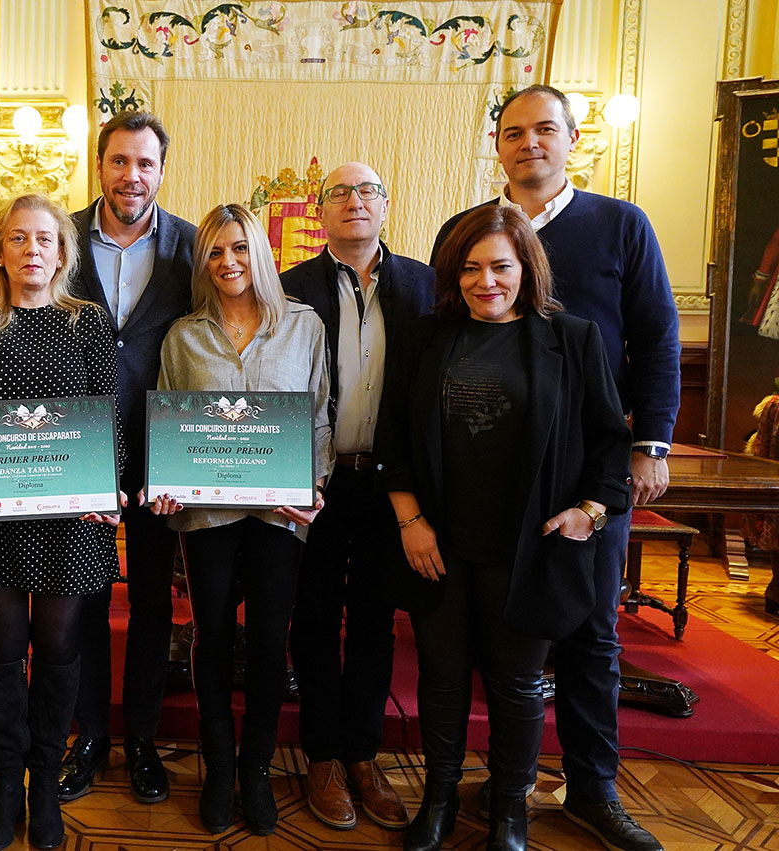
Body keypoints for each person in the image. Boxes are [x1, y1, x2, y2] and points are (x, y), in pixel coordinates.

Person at [432, 84, 679, 851]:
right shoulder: (470, 230)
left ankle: (592, 788)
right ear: (497, 145)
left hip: (589, 477)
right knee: (498, 642)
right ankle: (504, 783)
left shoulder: (620, 223)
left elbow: (657, 335)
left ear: (573, 137)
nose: (529, 143)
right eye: (514, 132)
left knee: (591, 634)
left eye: (545, 129)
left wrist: (650, 444)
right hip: (495, 484)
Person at [380, 205, 632, 851]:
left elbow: (610, 444)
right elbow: (394, 437)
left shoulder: (572, 338)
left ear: (526, 268)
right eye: (470, 268)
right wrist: (410, 520)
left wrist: (589, 512)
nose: (485, 281)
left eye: (500, 266)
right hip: (439, 543)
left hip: (531, 547)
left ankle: (509, 812)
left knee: (517, 685)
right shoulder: (426, 337)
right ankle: (437, 801)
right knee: (441, 678)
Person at [0, 194, 124, 851]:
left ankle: (44, 784)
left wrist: (109, 483)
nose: (32, 249)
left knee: (59, 650)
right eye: (18, 238)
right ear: (0, 251)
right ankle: (5, 784)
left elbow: (108, 415)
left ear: (63, 253)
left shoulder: (86, 323)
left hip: (69, 520)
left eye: (45, 238)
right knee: (3, 650)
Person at [148, 203, 334, 836]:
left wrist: (314, 484)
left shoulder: (304, 327)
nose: (228, 262)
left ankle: (255, 768)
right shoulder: (183, 336)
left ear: (262, 252)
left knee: (269, 639)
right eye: (215, 252)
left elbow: (320, 417)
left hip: (280, 514)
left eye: (239, 248)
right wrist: (164, 484)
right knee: (213, 635)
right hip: (206, 515)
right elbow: (168, 420)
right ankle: (219, 766)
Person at [280, 162, 434, 831]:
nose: (355, 201)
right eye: (339, 193)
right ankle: (321, 756)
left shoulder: (426, 285)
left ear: (386, 206)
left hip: (391, 482)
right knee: (312, 617)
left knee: (375, 620)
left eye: (367, 191)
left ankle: (364, 756)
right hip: (315, 479)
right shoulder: (290, 287)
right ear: (320, 211)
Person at [60, 110, 197, 805]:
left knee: (149, 601)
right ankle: (88, 735)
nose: (132, 175)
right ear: (100, 166)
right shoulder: (56, 237)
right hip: (73, 451)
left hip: (157, 451)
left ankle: (141, 736)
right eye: (120, 161)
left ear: (162, 171)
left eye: (145, 163)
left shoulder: (193, 247)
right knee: (82, 598)